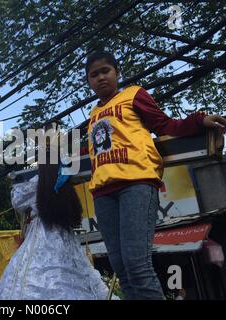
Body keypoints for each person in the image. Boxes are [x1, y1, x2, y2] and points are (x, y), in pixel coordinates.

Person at [85, 51, 226, 300]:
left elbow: (165, 125)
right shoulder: (93, 115)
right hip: (102, 193)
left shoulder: (134, 95)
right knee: (121, 269)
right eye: (94, 75)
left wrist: (200, 120)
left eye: (105, 71)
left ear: (118, 73)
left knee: (137, 265)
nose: (101, 78)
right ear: (89, 82)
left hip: (136, 184)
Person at [0, 148, 116, 300]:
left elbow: (17, 201)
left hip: (39, 234)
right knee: (75, 275)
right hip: (65, 237)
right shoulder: (66, 185)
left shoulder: (36, 185)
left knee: (30, 277)